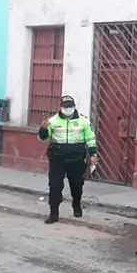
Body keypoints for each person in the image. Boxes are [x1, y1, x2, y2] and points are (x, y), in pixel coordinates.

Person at [38, 95, 98, 224]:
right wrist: (43, 129)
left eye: (70, 106)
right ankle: (54, 213)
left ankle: (76, 204)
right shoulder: (52, 121)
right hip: (57, 158)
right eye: (65, 107)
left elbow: (90, 138)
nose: (68, 109)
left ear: (74, 107)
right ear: (60, 107)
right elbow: (44, 138)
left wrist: (93, 154)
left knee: (76, 185)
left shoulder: (84, 121)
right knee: (54, 186)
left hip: (76, 159)